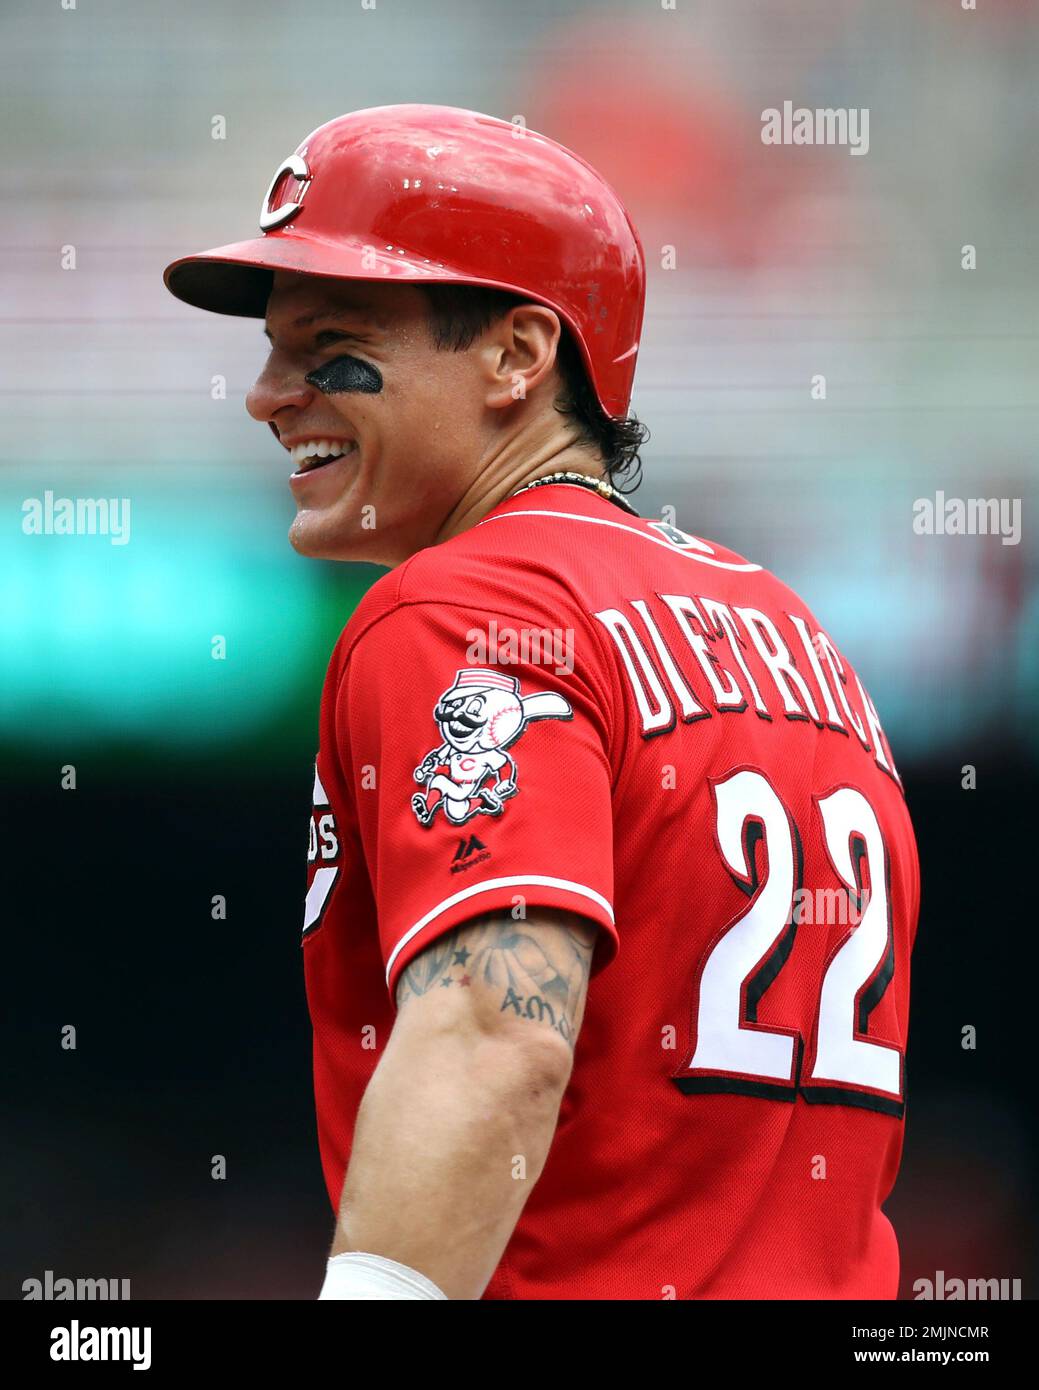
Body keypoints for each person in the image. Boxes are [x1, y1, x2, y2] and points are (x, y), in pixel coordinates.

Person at [163, 104, 920, 1301]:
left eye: (330, 344)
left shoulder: (463, 605)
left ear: (519, 356)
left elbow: (497, 1031)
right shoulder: (789, 627)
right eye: (272, 348)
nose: (268, 394)